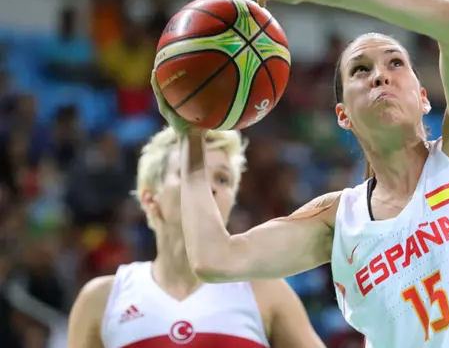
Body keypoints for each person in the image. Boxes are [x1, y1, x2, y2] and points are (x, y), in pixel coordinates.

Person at [151, 0, 449, 346]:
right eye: (361, 70)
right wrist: (191, 134)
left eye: (395, 63)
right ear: (343, 115)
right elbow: (215, 259)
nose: (379, 76)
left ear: (424, 97)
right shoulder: (339, 221)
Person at [66, 127, 324, 348]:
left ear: (231, 201)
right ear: (150, 197)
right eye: (191, 173)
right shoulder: (102, 298)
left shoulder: (265, 291)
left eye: (222, 178)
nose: (208, 187)